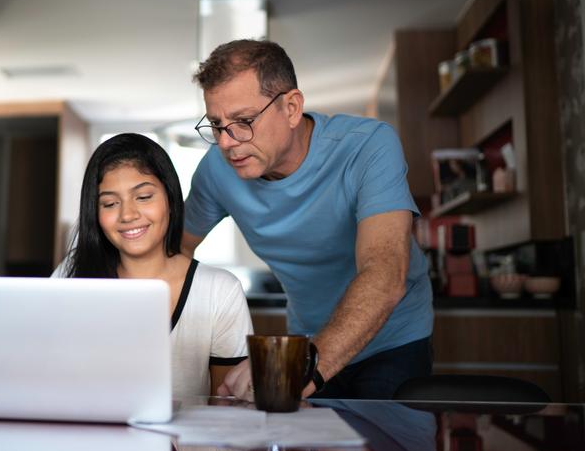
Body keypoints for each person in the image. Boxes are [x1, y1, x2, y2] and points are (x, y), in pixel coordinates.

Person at [183, 39, 433, 400]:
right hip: (306, 339)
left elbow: (385, 273)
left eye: (243, 121)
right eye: (217, 125)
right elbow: (174, 253)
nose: (226, 142)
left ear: (291, 108)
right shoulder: (216, 171)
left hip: (393, 340)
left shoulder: (367, 146)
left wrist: (304, 365)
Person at [57, 133, 253, 397]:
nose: (127, 215)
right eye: (110, 203)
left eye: (144, 197)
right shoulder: (70, 277)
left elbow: (228, 410)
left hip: (184, 440)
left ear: (171, 200)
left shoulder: (219, 291)